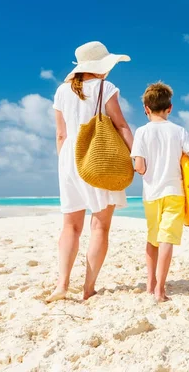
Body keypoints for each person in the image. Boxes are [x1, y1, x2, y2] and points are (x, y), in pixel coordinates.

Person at [48, 41, 133, 302]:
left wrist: (65, 164)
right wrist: (137, 157)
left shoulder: (62, 91)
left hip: (69, 159)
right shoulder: (105, 88)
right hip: (98, 156)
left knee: (70, 226)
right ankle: (88, 288)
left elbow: (61, 134)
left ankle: (61, 286)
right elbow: (121, 125)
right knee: (99, 226)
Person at [132, 82, 189, 302]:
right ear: (170, 108)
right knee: (167, 240)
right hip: (174, 192)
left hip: (151, 194)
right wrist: (184, 168)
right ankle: (160, 290)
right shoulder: (179, 131)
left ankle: (150, 284)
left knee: (153, 238)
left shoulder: (141, 132)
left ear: (146, 108)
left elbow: (140, 167)